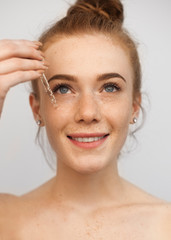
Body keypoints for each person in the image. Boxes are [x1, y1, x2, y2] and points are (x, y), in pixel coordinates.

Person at [0, 0, 170, 238]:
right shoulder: (4, 219)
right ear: (37, 109)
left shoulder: (166, 225)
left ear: (134, 107)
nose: (88, 113)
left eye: (109, 88)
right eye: (63, 89)